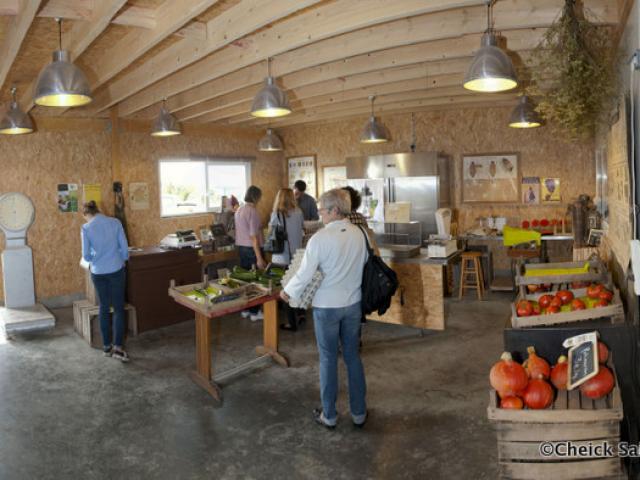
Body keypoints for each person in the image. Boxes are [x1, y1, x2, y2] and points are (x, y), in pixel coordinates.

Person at [280, 189, 368, 429]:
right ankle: (359, 413)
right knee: (352, 357)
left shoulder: (319, 239)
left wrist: (288, 292)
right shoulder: (360, 234)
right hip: (352, 304)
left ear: (334, 210)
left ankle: (329, 415)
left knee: (328, 359)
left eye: (322, 211)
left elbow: (305, 273)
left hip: (326, 308)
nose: (320, 215)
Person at [81, 201, 130, 362]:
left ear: (86, 215)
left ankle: (106, 347)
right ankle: (118, 348)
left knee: (103, 306)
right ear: (98, 210)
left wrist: (97, 258)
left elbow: (86, 256)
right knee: (118, 308)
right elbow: (124, 248)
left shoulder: (86, 228)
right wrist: (122, 260)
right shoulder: (115, 222)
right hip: (116, 270)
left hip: (98, 272)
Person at [268, 188, 305, 331]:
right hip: (297, 256)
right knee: (298, 286)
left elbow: (271, 233)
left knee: (285, 289)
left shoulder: (276, 214)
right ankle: (301, 315)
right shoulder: (299, 212)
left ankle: (291, 322)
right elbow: (301, 229)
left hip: (281, 256)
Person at [235, 185, 266, 321]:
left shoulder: (239, 209)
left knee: (245, 279)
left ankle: (246, 309)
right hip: (252, 249)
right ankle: (254, 312)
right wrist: (259, 258)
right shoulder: (252, 211)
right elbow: (253, 236)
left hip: (241, 248)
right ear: (256, 197)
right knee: (256, 280)